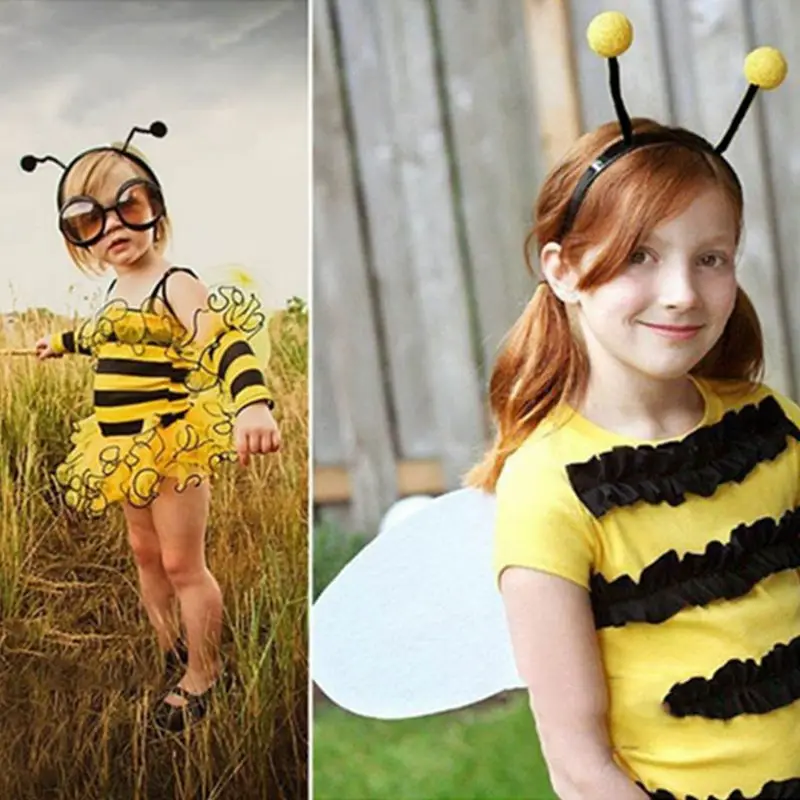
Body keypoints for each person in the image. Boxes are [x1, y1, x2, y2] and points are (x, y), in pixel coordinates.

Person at [312, 12, 798, 800]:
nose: (682, 292)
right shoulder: (551, 490)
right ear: (564, 270)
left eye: (711, 258)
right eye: (640, 256)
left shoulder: (771, 428)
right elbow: (580, 765)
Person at [25, 120, 281, 733]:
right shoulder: (117, 292)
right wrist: (57, 342)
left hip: (171, 447)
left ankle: (204, 673)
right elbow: (100, 337)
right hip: (119, 452)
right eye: (90, 218)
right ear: (77, 235)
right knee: (144, 553)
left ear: (154, 208)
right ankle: (173, 647)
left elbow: (223, 343)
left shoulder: (177, 284)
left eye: (127, 205)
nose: (112, 225)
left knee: (182, 562)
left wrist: (251, 403)